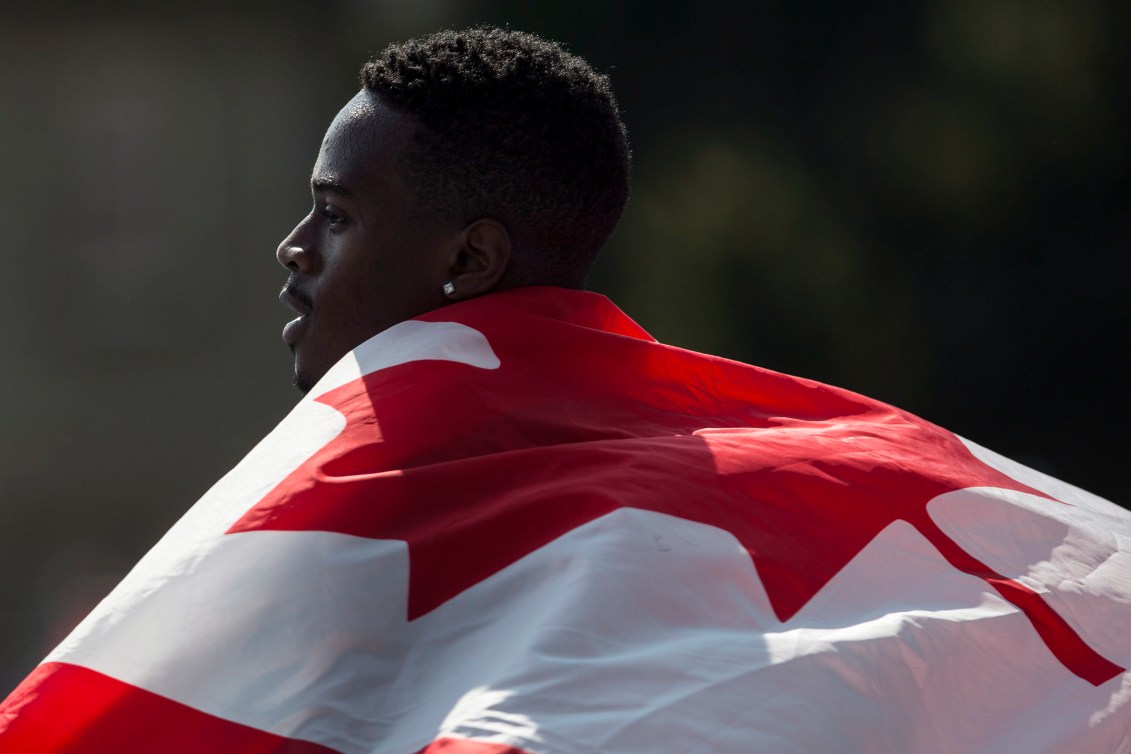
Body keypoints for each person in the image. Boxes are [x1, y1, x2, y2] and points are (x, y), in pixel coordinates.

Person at [2, 26, 1129, 754]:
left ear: (470, 262)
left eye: (339, 216)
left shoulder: (373, 474)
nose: (293, 248)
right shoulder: (790, 440)